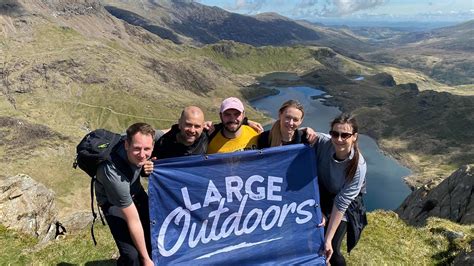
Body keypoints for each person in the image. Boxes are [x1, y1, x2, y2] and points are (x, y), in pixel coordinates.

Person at [95, 123, 156, 266]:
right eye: (137, 149)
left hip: (135, 192)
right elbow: (133, 220)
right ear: (126, 144)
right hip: (113, 204)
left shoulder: (144, 137)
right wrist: (146, 259)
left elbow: (168, 131)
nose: (142, 155)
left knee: (152, 235)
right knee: (132, 256)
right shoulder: (113, 175)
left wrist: (206, 126)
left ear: (152, 145)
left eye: (147, 149)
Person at [315, 113, 367, 266]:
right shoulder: (323, 142)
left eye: (345, 135)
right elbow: (297, 129)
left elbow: (341, 202)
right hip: (322, 195)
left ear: (354, 136)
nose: (338, 139)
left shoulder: (358, 166)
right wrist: (248, 122)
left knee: (333, 250)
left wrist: (328, 239)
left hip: (345, 205)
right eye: (335, 133)